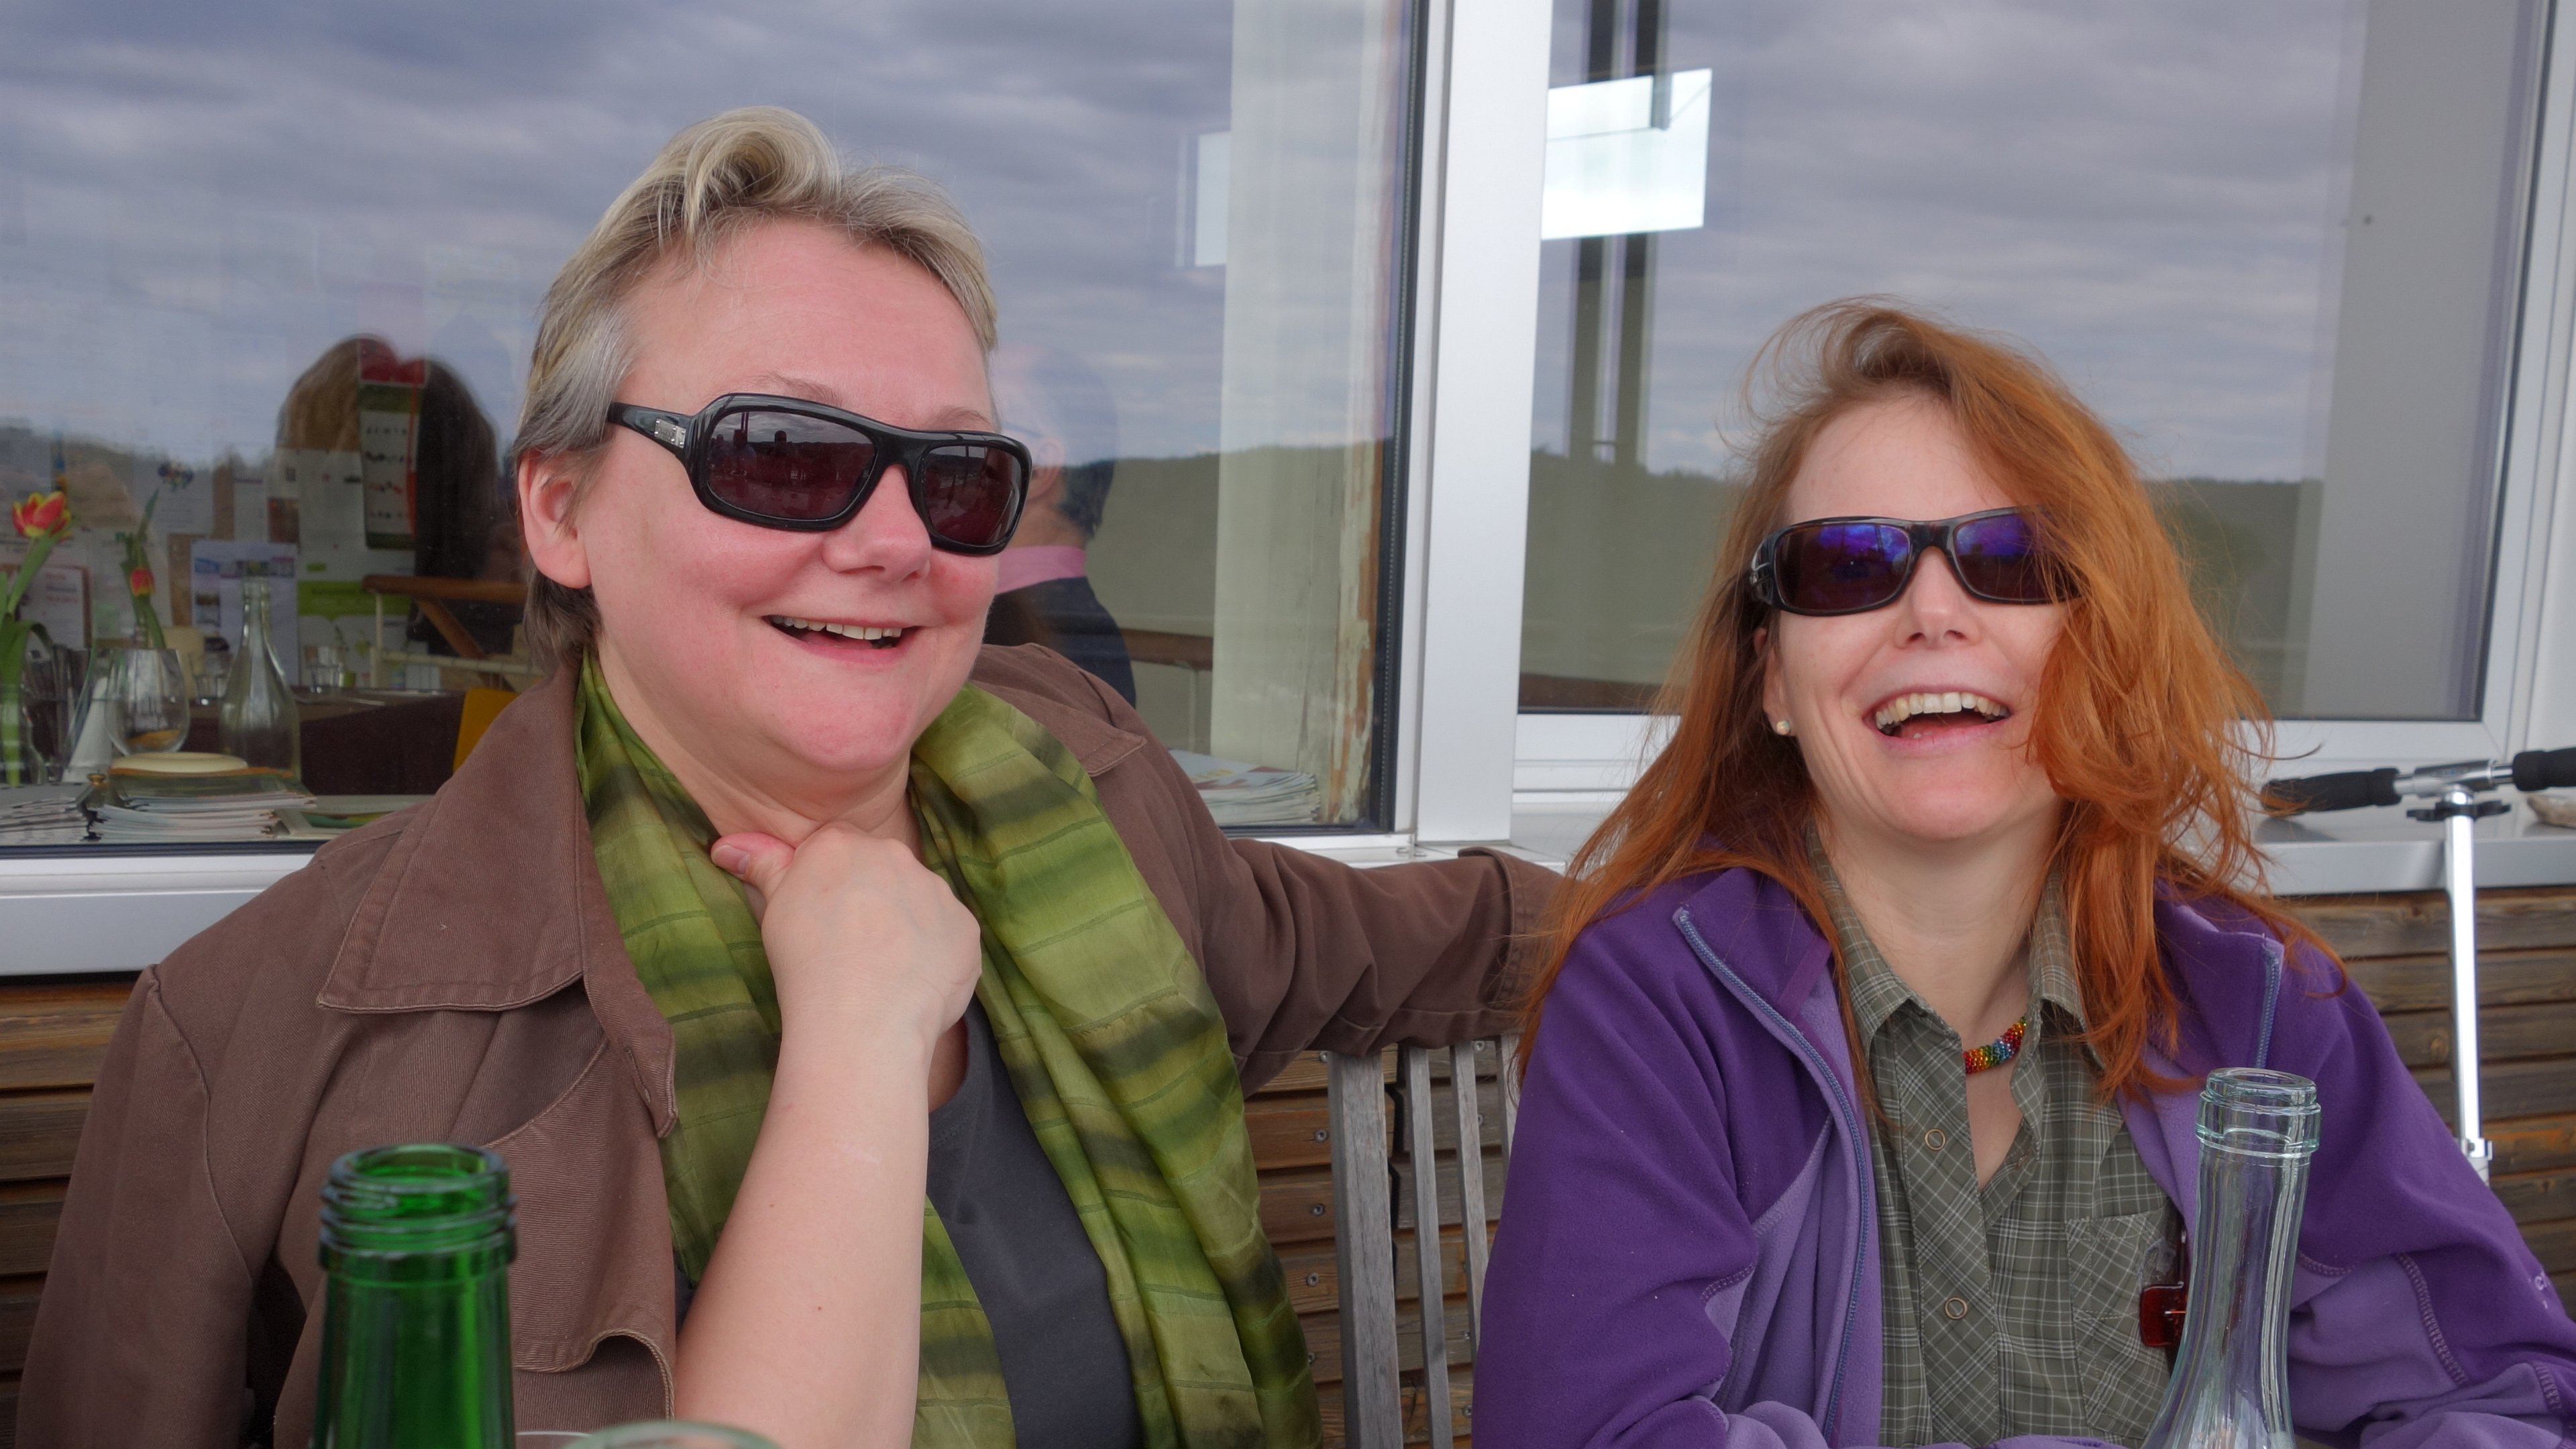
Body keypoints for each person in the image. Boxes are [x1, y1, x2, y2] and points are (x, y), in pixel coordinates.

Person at [21, 107, 1550, 1449]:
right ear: (561, 511)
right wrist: (863, 1022)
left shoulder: (1091, 802)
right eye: (780, 454)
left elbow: (1428, 939)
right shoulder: (264, 1037)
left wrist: (1688, 905)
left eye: (956, 476)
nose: (892, 540)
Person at [1476, 301, 2576, 1449]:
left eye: (2012, 558)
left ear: (2102, 642)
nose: (1932, 613)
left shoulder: (2257, 1007)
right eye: (1848, 565)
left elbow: (2507, 1399)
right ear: (1773, 680)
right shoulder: (1657, 1007)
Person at [979, 342, 1136, 702]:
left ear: (1038, 469)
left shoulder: (1016, 638)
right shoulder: (1083, 634)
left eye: (985, 422)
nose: (953, 441)